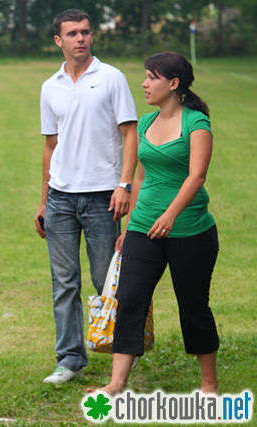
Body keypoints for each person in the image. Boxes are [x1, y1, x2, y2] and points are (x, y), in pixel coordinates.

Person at [96, 51, 219, 395]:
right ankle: (117, 383)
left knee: (193, 305)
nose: (144, 83)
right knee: (130, 298)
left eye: (152, 77)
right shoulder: (147, 123)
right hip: (143, 227)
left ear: (174, 84)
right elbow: (140, 175)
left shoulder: (197, 123)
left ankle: (208, 384)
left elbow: (197, 176)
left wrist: (171, 215)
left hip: (190, 230)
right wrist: (131, 224)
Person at [34, 8, 139, 384]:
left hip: (102, 198)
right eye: (72, 33)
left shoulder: (112, 78)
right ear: (58, 41)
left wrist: (124, 184)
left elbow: (130, 134)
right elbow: (51, 146)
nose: (81, 38)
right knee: (64, 283)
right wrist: (45, 199)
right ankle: (70, 359)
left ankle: (124, 351)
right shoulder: (50, 86)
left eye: (86, 32)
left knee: (105, 280)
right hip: (61, 198)